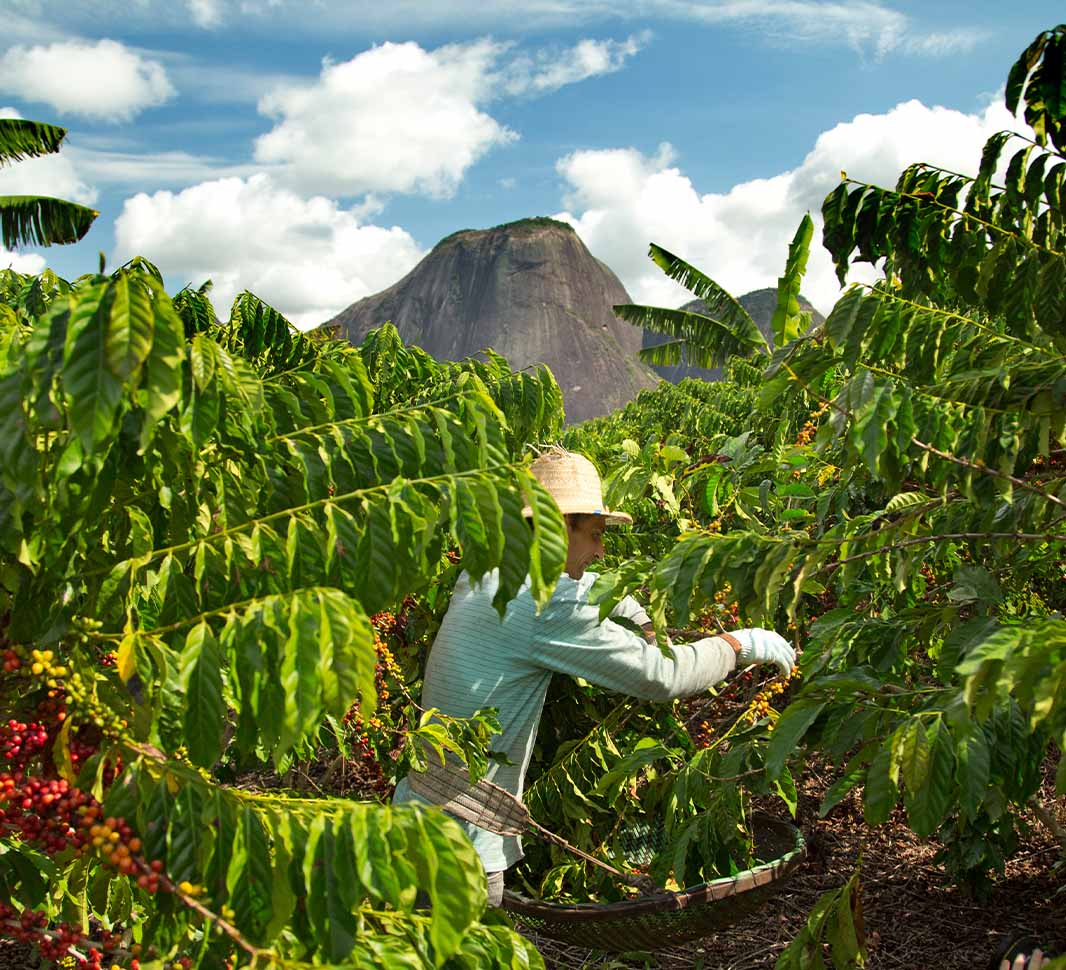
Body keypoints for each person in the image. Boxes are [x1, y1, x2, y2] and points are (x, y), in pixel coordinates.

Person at [392, 448, 796, 906]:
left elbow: (578, 585)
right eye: (596, 534)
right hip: (459, 851)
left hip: (414, 816)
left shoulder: (488, 570)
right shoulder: (545, 605)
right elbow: (660, 676)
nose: (602, 550)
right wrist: (738, 645)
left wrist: (637, 615)